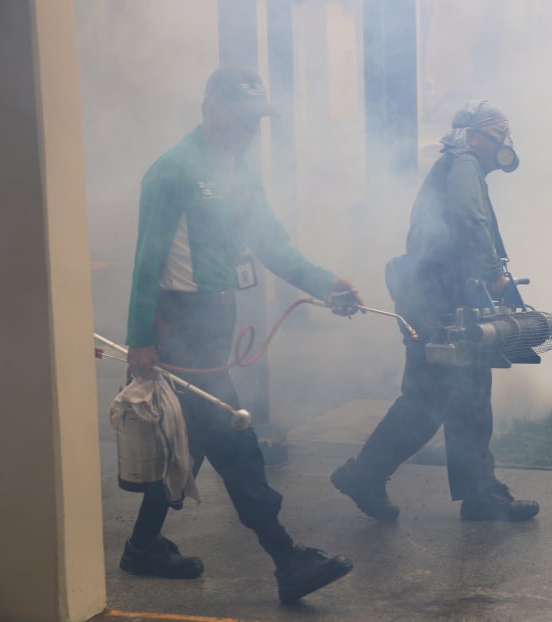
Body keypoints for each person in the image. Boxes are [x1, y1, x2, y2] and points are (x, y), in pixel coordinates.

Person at [121, 66, 362, 604]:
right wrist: (140, 340)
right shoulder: (172, 170)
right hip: (179, 325)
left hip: (216, 321)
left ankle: (142, 546)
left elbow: (272, 243)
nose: (251, 127)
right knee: (234, 440)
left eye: (258, 118)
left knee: (194, 439)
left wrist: (326, 284)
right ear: (213, 107)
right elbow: (146, 261)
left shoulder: (241, 169)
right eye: (243, 116)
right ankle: (286, 558)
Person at [330, 100, 540, 523]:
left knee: (469, 399)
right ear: (474, 135)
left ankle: (479, 494)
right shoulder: (463, 163)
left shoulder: (464, 166)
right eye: (497, 132)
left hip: (443, 299)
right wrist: (492, 273)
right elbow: (470, 218)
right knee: (429, 400)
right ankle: (364, 475)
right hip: (436, 303)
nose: (504, 141)